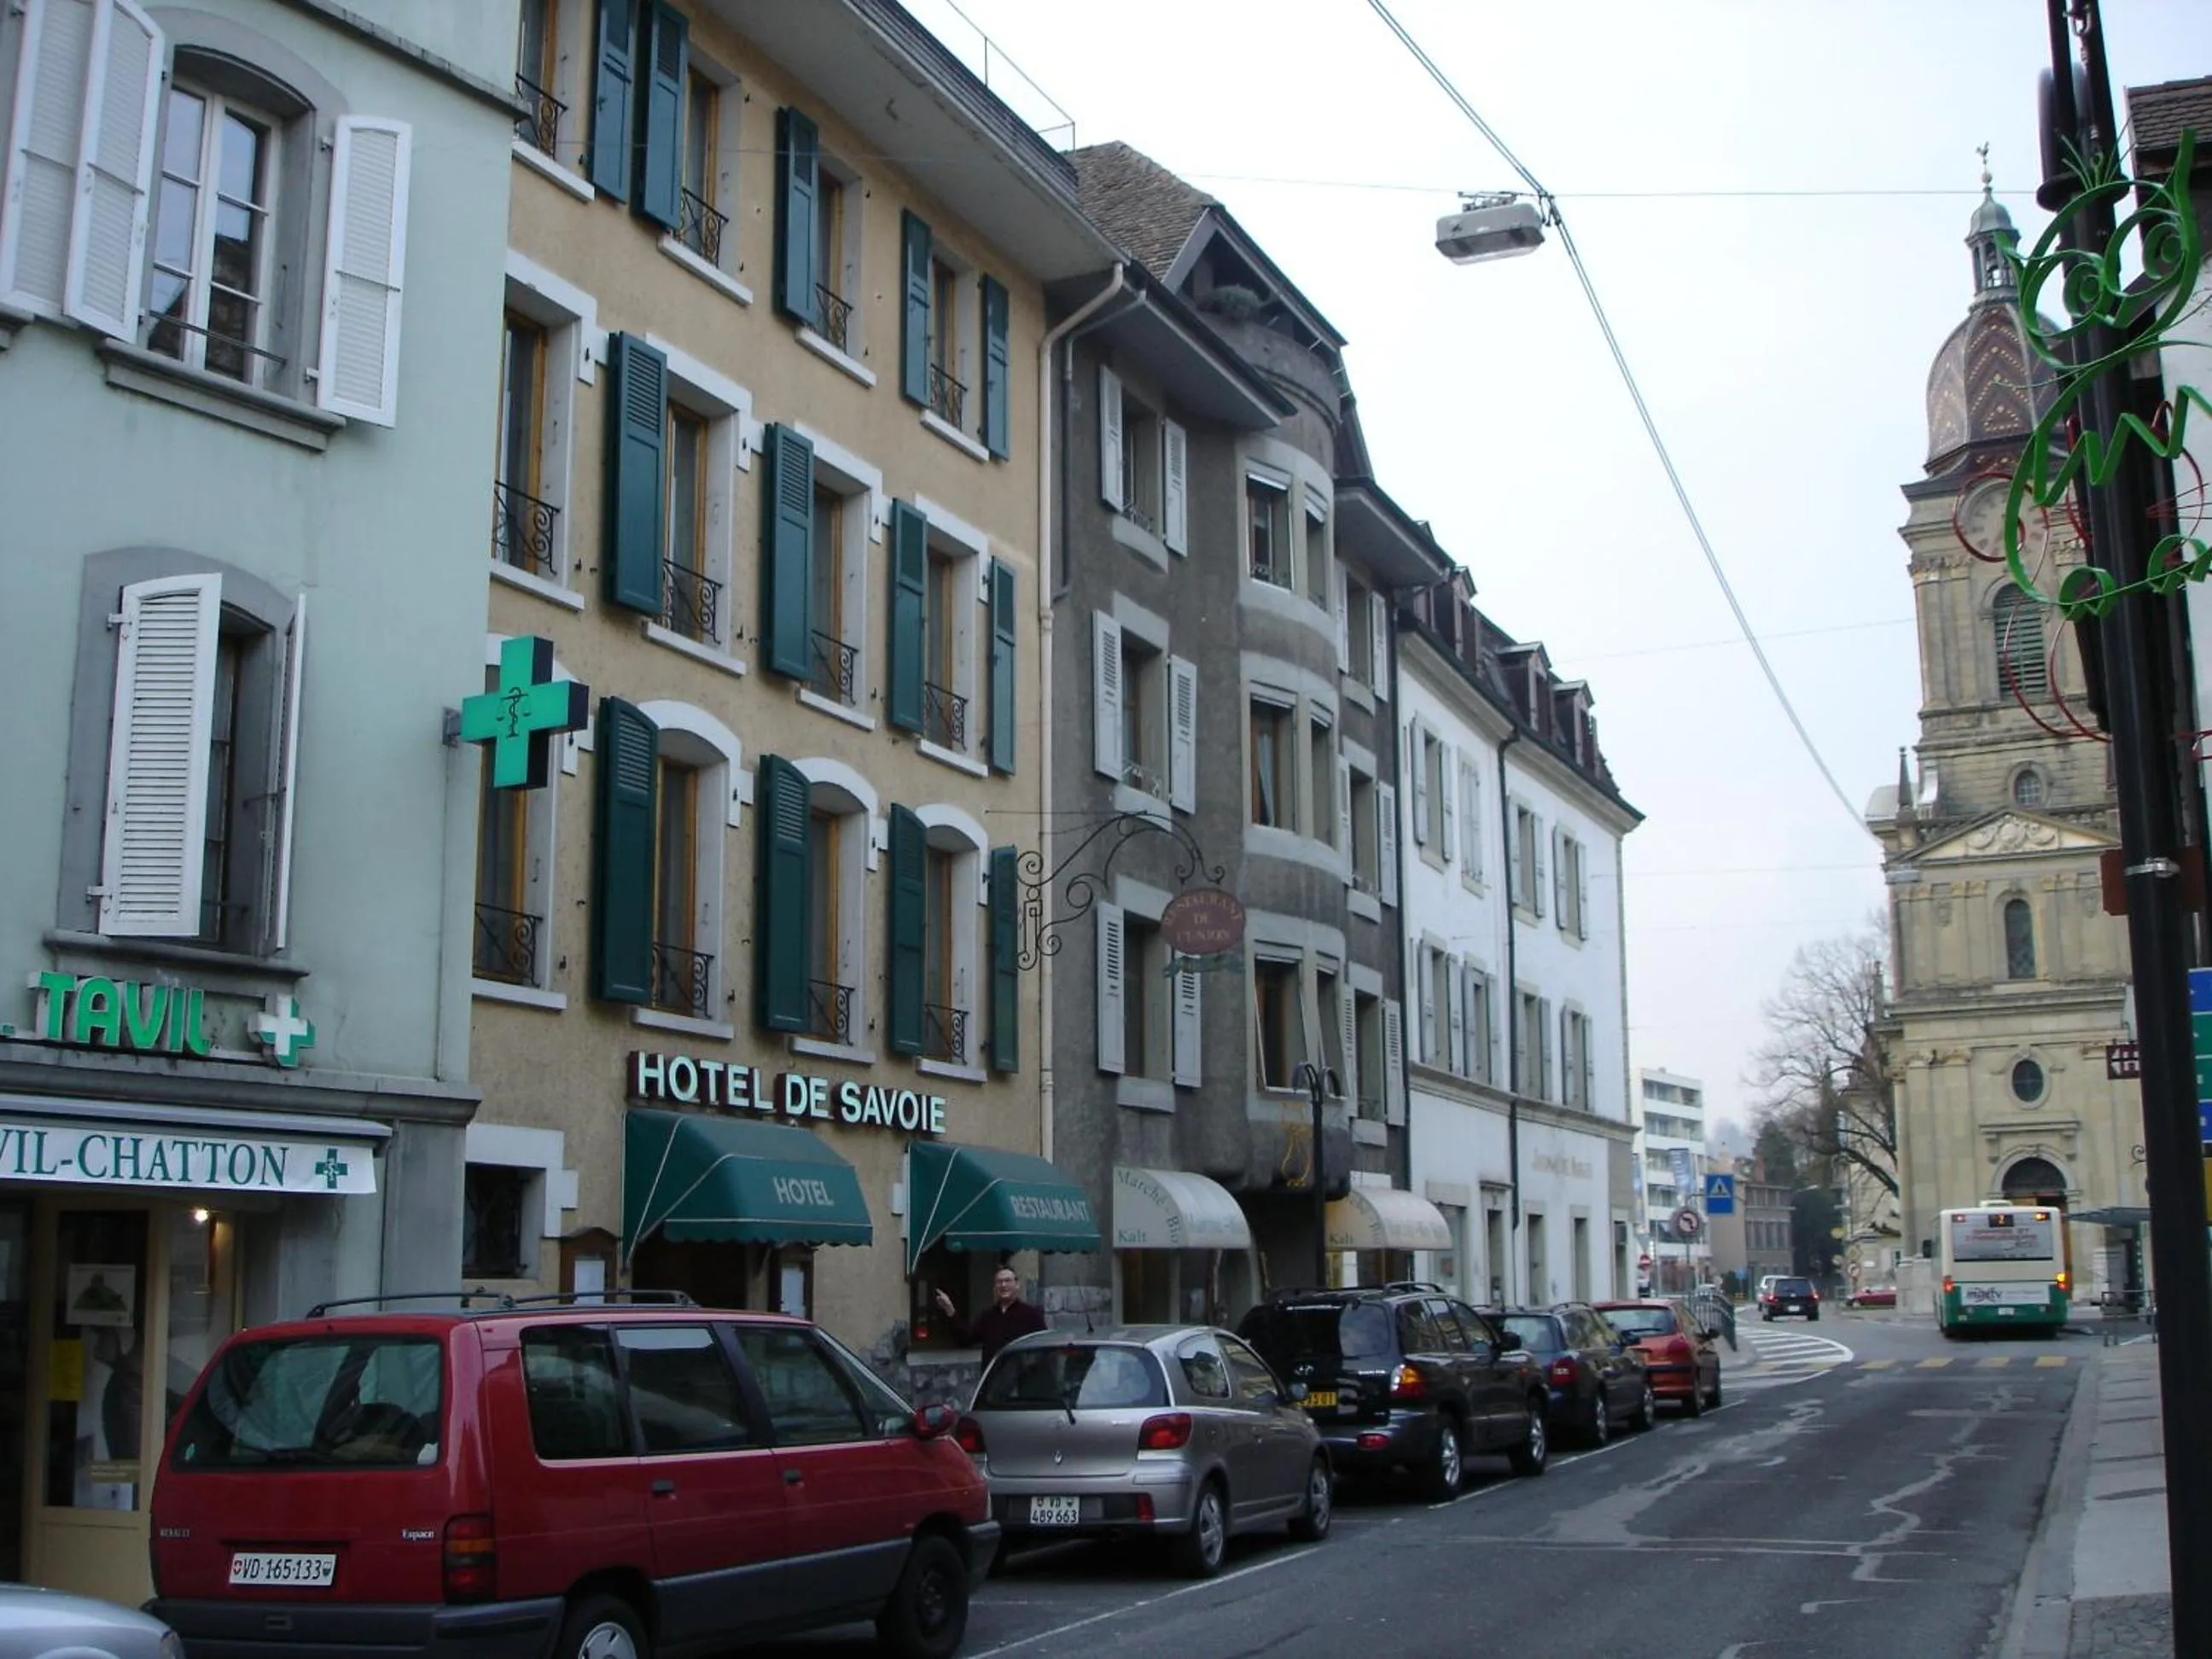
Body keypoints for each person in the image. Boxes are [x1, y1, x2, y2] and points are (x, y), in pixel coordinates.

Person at [934, 1265, 1046, 1365]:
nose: (1003, 1285)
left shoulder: (1031, 1314)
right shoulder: (988, 1316)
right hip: (993, 1381)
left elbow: (1043, 1348)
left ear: (1017, 1285)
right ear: (995, 1288)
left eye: (1008, 1281)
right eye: (999, 1282)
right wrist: (950, 1311)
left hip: (1020, 1381)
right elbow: (966, 1338)